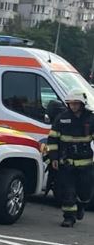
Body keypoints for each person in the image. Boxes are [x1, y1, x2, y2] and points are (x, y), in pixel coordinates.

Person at [45, 89, 93, 227]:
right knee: (68, 190)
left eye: (76, 103)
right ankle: (69, 217)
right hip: (66, 163)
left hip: (86, 163)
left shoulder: (90, 119)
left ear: (82, 104)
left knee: (85, 192)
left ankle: (81, 205)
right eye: (71, 103)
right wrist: (54, 158)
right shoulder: (61, 118)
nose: (73, 106)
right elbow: (52, 139)